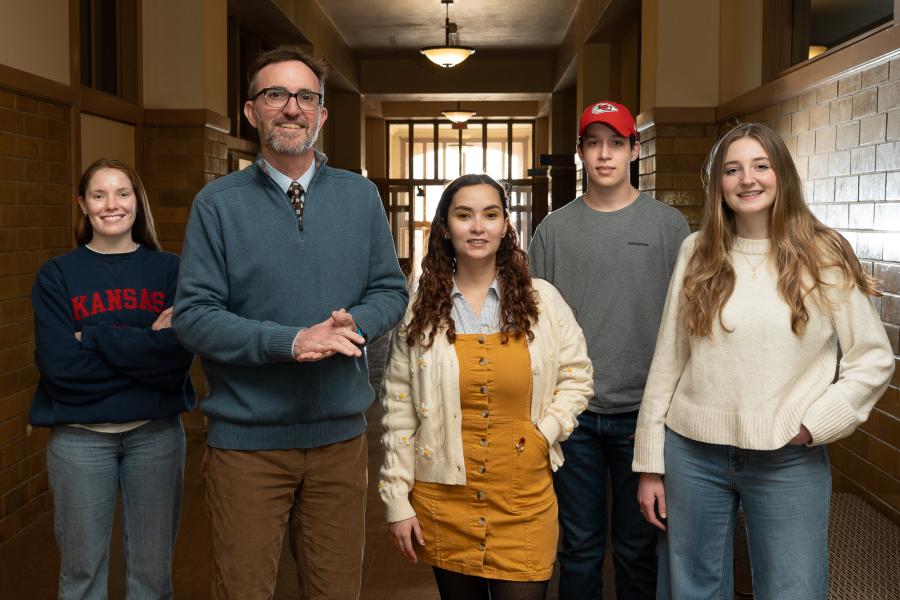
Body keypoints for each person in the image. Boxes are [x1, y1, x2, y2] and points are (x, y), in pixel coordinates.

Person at [173, 46, 408, 600]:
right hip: (247, 446)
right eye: (275, 95)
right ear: (252, 112)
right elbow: (195, 318)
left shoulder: (360, 196)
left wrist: (356, 324)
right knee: (244, 590)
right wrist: (291, 341)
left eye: (306, 97)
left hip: (339, 442)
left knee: (336, 591)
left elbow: (390, 290)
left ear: (323, 114)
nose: (292, 108)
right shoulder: (217, 205)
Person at [633, 122, 894, 600]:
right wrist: (651, 463)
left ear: (783, 175)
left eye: (760, 166)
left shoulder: (823, 253)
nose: (747, 179)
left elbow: (872, 357)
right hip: (692, 453)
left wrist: (814, 423)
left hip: (788, 455)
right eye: (732, 170)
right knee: (692, 589)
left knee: (792, 588)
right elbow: (668, 361)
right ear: (719, 184)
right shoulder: (697, 251)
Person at [379, 174, 594, 600]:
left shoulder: (542, 301)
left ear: (504, 226)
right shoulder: (420, 309)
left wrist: (545, 432)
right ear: (446, 226)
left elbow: (577, 376)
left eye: (490, 215)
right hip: (445, 501)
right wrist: (397, 501)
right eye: (464, 215)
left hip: (524, 499)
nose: (478, 227)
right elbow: (398, 409)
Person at [528, 101, 690, 599]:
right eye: (594, 144)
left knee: (639, 547)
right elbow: (532, 326)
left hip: (645, 416)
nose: (605, 155)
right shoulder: (553, 230)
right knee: (578, 548)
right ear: (580, 153)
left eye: (616, 143)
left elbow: (688, 323)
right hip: (573, 414)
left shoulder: (669, 227)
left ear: (634, 150)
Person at [30, 158, 195, 599]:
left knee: (151, 577)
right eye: (98, 195)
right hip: (80, 441)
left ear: (136, 203)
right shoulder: (57, 275)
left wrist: (95, 338)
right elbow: (60, 367)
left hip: (155, 437)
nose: (111, 205)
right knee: (82, 575)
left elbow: (175, 360)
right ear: (82, 205)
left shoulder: (170, 271)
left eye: (122, 193)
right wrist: (143, 347)